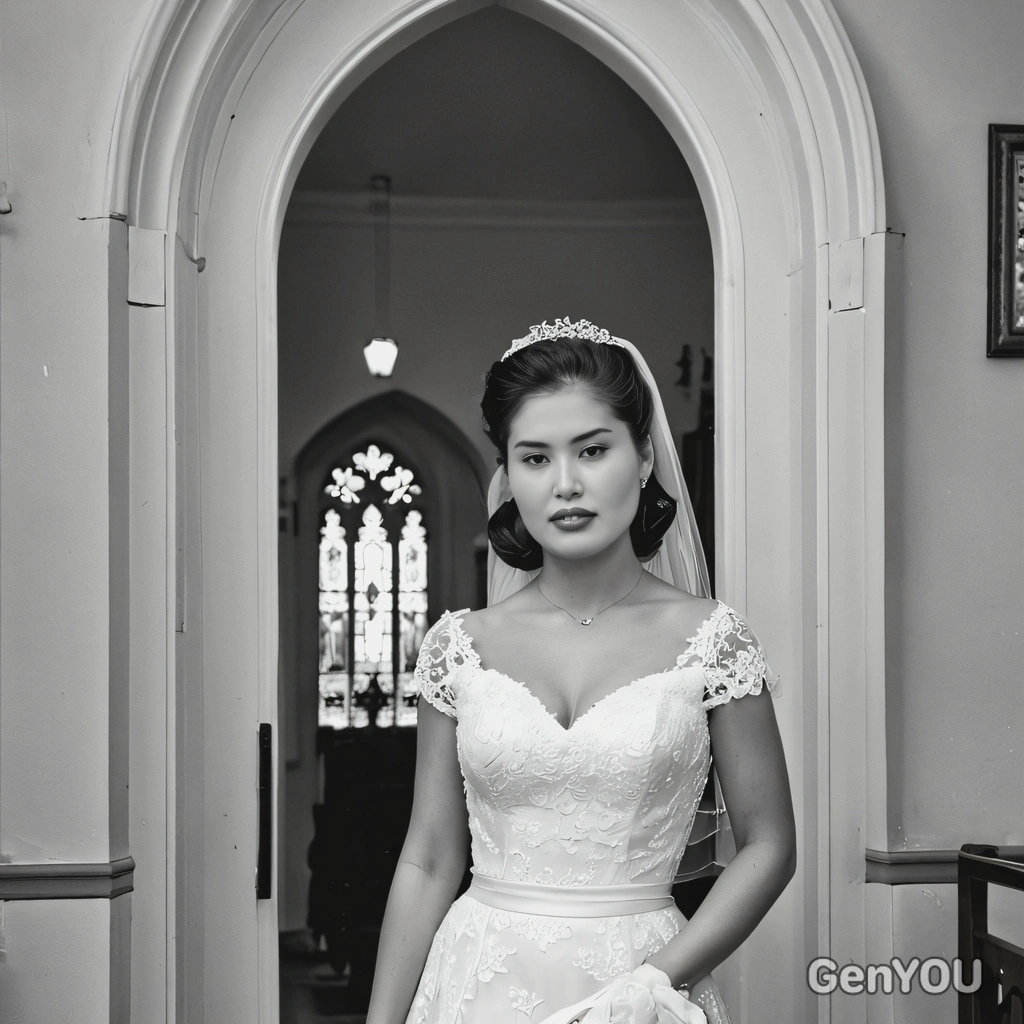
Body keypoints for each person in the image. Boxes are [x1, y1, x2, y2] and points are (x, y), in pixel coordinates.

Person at [364, 319, 796, 1024]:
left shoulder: (714, 640)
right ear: (509, 476)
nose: (566, 484)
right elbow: (430, 857)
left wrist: (650, 984)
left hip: (645, 984)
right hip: (475, 982)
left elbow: (770, 843)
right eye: (535, 459)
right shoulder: (456, 647)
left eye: (593, 450)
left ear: (644, 457)